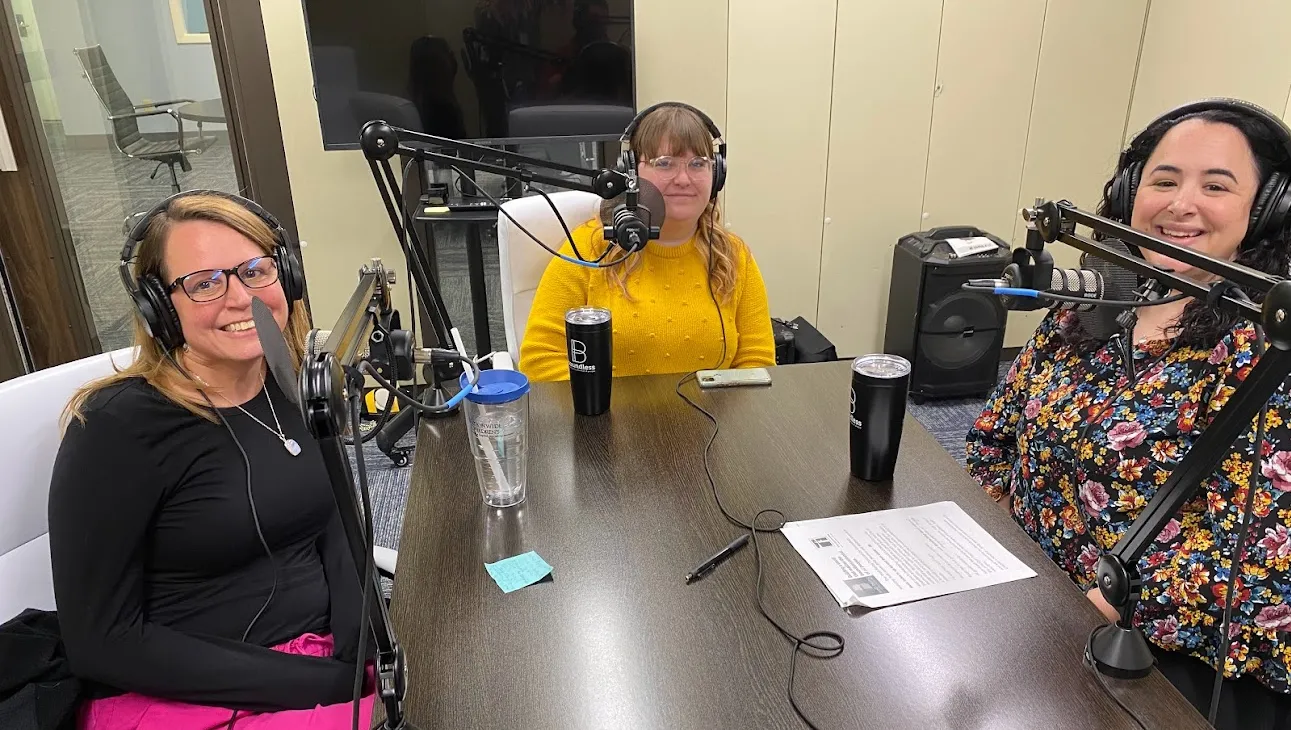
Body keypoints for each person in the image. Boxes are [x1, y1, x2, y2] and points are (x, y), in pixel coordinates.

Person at [966, 99, 1291, 729]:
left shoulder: (1268, 353)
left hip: (1156, 665)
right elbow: (995, 438)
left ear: (1268, 209)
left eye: (1215, 186)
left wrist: (1094, 611)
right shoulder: (1089, 312)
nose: (1180, 203)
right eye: (1163, 180)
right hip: (1028, 608)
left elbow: (1265, 561)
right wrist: (980, 553)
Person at [48, 192, 375, 728]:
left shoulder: (291, 382)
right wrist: (325, 689)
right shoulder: (115, 429)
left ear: (285, 275)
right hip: (183, 694)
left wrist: (361, 650)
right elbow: (101, 641)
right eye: (204, 283)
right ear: (160, 307)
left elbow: (335, 523)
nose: (242, 298)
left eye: (255, 270)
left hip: (315, 665)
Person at [519, 102, 776, 381]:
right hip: (613, 422)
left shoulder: (734, 256)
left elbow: (757, 361)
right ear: (631, 173)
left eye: (698, 164)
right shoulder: (590, 249)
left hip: (713, 421)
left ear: (717, 175)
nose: (683, 179)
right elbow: (540, 361)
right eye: (665, 163)